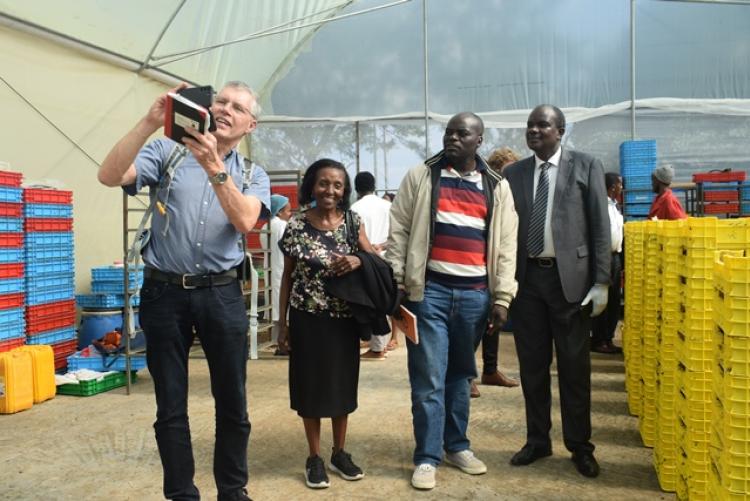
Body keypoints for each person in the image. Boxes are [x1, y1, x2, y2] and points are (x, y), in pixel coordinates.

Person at [97, 81, 270, 501]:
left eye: (238, 108)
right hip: (164, 293)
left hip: (221, 294)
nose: (225, 109)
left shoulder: (253, 174)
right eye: (221, 101)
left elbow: (246, 221)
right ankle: (181, 494)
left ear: (250, 125)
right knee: (170, 403)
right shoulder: (166, 152)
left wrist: (213, 164)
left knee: (232, 401)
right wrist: (150, 121)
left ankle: (232, 490)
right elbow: (109, 175)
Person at [387, 112, 519, 490]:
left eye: (462, 134)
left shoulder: (496, 186)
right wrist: (398, 279)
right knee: (429, 378)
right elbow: (399, 230)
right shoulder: (422, 176)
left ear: (479, 141)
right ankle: (427, 457)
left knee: (461, 375)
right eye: (449, 132)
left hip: (475, 296)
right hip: (429, 294)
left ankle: (457, 446)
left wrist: (503, 297)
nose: (453, 138)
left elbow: (506, 245)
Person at [503, 104, 610, 479]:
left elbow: (599, 225)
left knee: (574, 367)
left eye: (542, 125)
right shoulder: (513, 173)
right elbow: (504, 230)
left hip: (571, 283)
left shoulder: (586, 166)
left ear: (560, 131)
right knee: (532, 367)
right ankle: (537, 440)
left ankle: (580, 445)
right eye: (529, 125)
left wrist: (602, 281)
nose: (533, 130)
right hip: (527, 281)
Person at [277, 159, 375, 490]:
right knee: (310, 387)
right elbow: (287, 277)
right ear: (312, 186)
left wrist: (358, 258)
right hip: (306, 318)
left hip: (344, 320)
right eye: (323, 183)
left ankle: (340, 453)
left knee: (341, 386)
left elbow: (373, 259)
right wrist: (282, 324)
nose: (329, 190)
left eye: (337, 185)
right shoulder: (296, 225)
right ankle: (314, 457)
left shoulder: (353, 222)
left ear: (344, 190)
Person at [470, 146, 523, 398]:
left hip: (507, 261)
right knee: (475, 321)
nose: (510, 175)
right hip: (483, 264)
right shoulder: (488, 189)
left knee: (496, 317)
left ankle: (490, 370)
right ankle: (467, 375)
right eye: (506, 170)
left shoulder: (513, 191)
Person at [350, 171, 392, 360]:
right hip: (386, 257)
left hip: (365, 260)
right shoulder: (388, 206)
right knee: (384, 299)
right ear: (374, 186)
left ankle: (377, 348)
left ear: (357, 188)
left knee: (370, 303)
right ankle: (382, 344)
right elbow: (398, 233)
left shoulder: (354, 208)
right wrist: (382, 246)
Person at [591, 173, 624, 354]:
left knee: (613, 300)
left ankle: (607, 338)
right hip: (604, 257)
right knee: (602, 298)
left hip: (615, 257)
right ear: (612, 187)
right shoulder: (601, 205)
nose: (621, 188)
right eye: (620, 184)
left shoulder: (614, 206)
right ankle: (598, 339)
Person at [266, 194, 293, 356]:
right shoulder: (283, 226)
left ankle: (276, 343)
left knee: (275, 309)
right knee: (284, 310)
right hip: (283, 270)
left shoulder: (265, 226)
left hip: (271, 272)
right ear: (279, 212)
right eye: (288, 211)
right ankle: (283, 344)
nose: (290, 214)